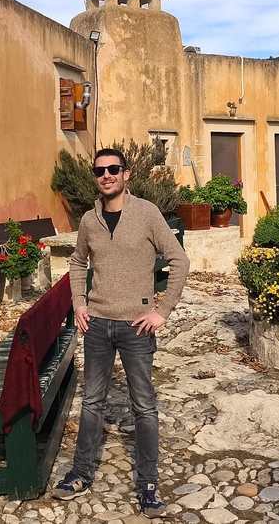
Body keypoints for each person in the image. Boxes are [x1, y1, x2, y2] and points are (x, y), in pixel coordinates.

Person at [52, 148, 190, 518]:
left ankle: (148, 483)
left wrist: (162, 311)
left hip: (136, 326)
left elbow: (179, 260)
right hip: (97, 324)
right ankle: (81, 473)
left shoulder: (146, 213)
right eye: (100, 171)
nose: (107, 175)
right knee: (92, 402)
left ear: (126, 174)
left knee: (143, 405)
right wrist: (79, 303)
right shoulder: (89, 219)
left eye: (114, 169)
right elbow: (78, 261)